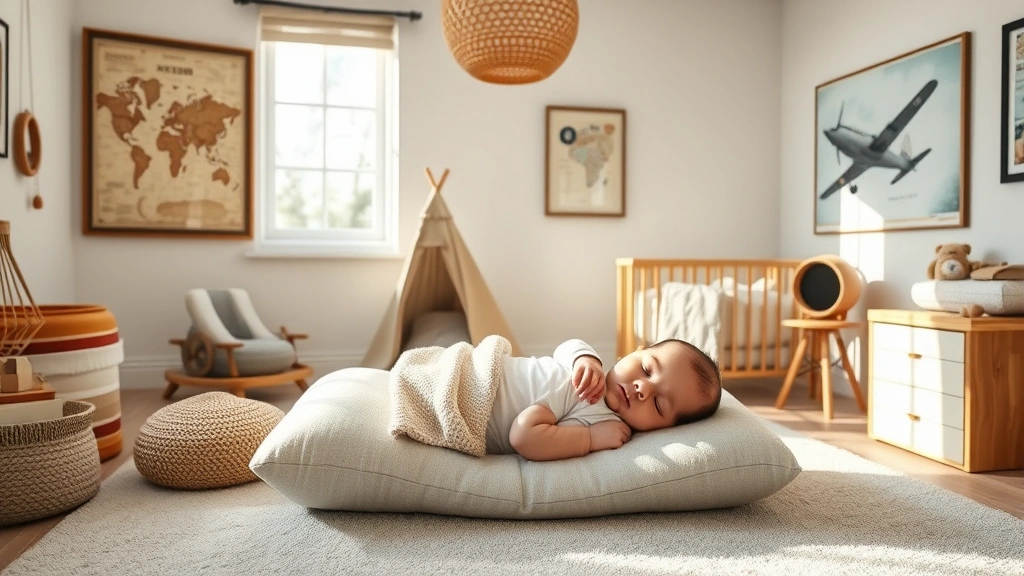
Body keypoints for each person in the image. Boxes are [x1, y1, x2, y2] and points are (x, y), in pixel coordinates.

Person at [487, 337, 722, 461]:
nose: (643, 388)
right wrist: (586, 360)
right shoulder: (591, 367)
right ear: (636, 350)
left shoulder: (604, 427)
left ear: (664, 429)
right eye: (647, 368)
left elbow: (523, 436)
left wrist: (589, 438)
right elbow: (566, 347)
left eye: (658, 404)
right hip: (482, 373)